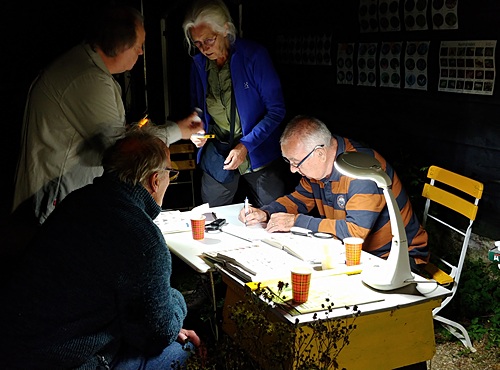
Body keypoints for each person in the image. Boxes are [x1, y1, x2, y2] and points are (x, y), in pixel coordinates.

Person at [0, 124, 201, 369]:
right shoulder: (142, 239)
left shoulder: (77, 201)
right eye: (172, 172)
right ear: (155, 180)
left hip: (17, 343)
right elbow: (156, 335)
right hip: (60, 360)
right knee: (184, 349)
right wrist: (177, 301)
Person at [12, 3, 203, 226]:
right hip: (54, 207)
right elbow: (123, 152)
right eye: (139, 45)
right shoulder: (88, 80)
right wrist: (177, 130)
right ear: (121, 45)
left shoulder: (83, 67)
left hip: (57, 202)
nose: (141, 52)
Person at [240, 115, 430, 271]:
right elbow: (299, 200)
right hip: (358, 254)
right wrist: (265, 212)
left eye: (296, 162)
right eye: (288, 161)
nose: (292, 169)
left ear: (320, 153)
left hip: (396, 259)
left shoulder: (362, 171)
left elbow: (354, 234)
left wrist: (295, 221)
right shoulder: (319, 167)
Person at [182, 0, 287, 207]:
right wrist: (197, 129)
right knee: (210, 216)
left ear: (226, 30)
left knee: (274, 213)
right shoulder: (199, 64)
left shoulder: (254, 56)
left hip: (258, 151)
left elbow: (276, 110)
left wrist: (245, 146)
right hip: (218, 148)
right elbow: (198, 108)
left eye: (209, 40)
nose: (204, 48)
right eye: (197, 43)